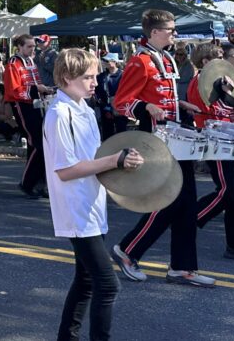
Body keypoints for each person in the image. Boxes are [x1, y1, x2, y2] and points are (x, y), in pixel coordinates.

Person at [44, 48, 140, 341]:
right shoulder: (60, 114)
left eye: (95, 75)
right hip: (76, 207)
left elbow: (92, 157)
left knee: (85, 280)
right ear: (66, 77)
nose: (95, 82)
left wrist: (123, 158)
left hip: (91, 203)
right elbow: (65, 170)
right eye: (87, 77)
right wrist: (113, 161)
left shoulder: (83, 109)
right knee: (107, 285)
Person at [111, 9, 213, 287]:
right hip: (155, 140)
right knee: (171, 200)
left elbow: (163, 99)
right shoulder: (140, 62)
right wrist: (144, 107)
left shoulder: (165, 58)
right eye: (170, 29)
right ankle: (128, 250)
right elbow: (120, 103)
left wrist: (181, 105)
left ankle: (182, 267)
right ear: (154, 32)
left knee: (187, 203)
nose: (174, 33)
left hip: (175, 137)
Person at [186, 44, 234, 262]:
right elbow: (211, 111)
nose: (225, 60)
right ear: (205, 62)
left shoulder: (221, 82)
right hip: (216, 142)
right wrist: (227, 94)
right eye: (219, 56)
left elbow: (230, 111)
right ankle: (189, 218)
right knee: (229, 191)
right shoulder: (200, 83)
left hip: (229, 140)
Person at [4, 34, 55, 198]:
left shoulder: (31, 61)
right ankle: (27, 184)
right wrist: (36, 90)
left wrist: (44, 89)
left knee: (41, 145)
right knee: (37, 144)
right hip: (22, 105)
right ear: (19, 46)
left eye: (33, 46)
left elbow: (35, 82)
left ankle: (38, 184)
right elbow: (14, 90)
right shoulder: (13, 63)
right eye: (29, 46)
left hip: (35, 104)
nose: (33, 49)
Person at [93, 54, 124, 141]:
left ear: (114, 62)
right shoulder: (101, 77)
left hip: (120, 108)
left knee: (121, 132)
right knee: (107, 134)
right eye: (104, 61)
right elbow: (97, 92)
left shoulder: (123, 75)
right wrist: (105, 107)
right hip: (105, 108)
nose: (104, 63)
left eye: (107, 61)